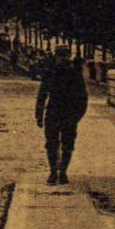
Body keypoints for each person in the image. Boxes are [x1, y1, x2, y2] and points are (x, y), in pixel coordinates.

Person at [36, 51, 90, 185]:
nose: (62, 58)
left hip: (68, 113)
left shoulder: (75, 74)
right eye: (61, 56)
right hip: (54, 112)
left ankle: (63, 172)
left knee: (67, 144)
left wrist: (77, 116)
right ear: (57, 57)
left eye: (65, 56)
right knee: (51, 143)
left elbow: (83, 97)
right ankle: (53, 172)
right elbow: (42, 94)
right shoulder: (50, 73)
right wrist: (39, 114)